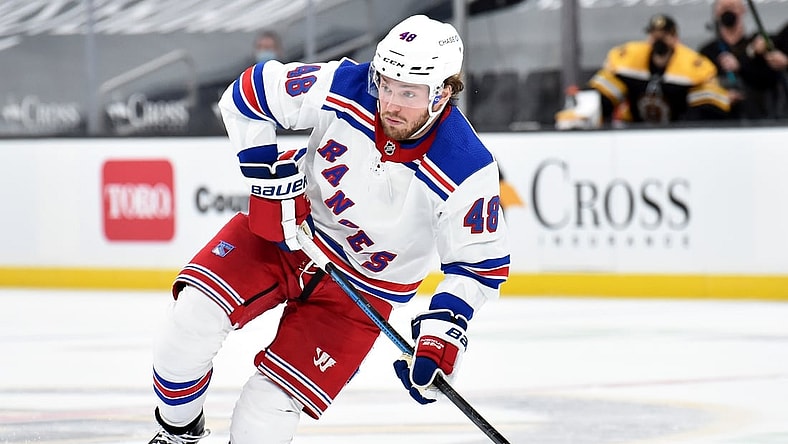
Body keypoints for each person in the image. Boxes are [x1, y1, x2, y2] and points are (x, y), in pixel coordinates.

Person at [147, 14, 510, 444]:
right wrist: (263, 169)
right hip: (289, 235)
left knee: (267, 411)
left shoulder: (467, 166)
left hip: (363, 291)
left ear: (443, 93)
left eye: (409, 93)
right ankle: (178, 434)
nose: (391, 104)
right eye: (386, 85)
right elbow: (248, 94)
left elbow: (477, 267)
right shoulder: (345, 84)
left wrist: (443, 331)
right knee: (188, 323)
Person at [587, 14, 731, 125]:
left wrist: (687, 131)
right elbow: (599, 98)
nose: (658, 40)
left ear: (675, 39)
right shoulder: (629, 62)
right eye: (654, 35)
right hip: (635, 133)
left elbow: (709, 111)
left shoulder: (692, 68)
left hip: (678, 136)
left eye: (664, 35)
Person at [697, 0, 782, 119]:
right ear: (716, 13)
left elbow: (770, 79)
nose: (728, 11)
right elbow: (701, 88)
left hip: (759, 119)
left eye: (732, 7)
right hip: (720, 121)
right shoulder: (707, 51)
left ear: (743, 10)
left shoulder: (758, 45)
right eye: (723, 8)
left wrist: (741, 64)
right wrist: (721, 96)